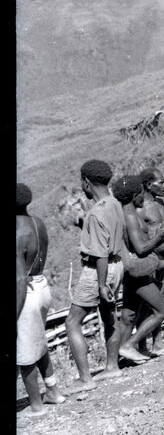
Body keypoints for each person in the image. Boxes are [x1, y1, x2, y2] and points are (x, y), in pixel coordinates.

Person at [64, 160, 127, 389]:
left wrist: (100, 284)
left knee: (72, 322)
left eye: (82, 183)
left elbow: (99, 253)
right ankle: (112, 367)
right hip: (117, 264)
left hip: (99, 269)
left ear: (87, 182)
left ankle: (85, 379)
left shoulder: (96, 212)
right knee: (109, 314)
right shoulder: (116, 204)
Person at [112, 175, 164, 364]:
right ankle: (128, 346)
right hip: (139, 272)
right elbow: (140, 248)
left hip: (132, 271)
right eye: (139, 194)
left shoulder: (124, 214)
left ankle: (117, 361)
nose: (141, 198)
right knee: (161, 311)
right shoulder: (130, 217)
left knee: (128, 316)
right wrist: (159, 236)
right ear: (135, 195)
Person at [16, 183, 64, 414]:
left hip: (26, 293)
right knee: (39, 342)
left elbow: (19, 279)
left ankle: (36, 405)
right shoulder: (38, 223)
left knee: (24, 353)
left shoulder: (16, 232)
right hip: (42, 286)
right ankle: (53, 391)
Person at [135, 167, 164, 355]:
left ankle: (158, 342)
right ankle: (141, 346)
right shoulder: (140, 209)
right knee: (146, 305)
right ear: (149, 185)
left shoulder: (160, 205)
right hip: (150, 260)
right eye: (161, 182)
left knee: (159, 300)